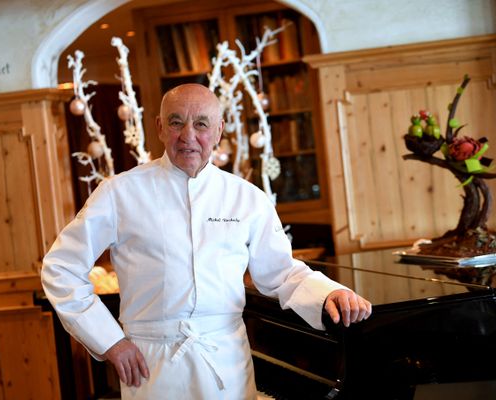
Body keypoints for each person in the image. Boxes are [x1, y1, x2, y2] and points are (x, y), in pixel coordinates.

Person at [41, 83, 372, 399]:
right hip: (150, 364)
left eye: (201, 124)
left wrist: (330, 291)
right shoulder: (119, 192)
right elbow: (61, 268)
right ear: (158, 127)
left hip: (225, 360)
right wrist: (110, 341)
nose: (188, 136)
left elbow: (281, 273)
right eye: (176, 122)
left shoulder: (247, 198)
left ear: (219, 129)